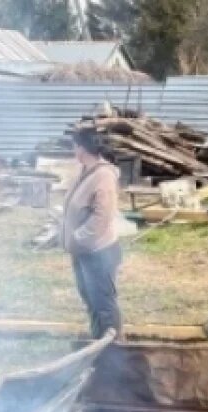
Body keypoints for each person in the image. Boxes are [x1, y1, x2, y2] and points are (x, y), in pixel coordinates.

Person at [63, 127, 123, 339]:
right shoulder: (85, 172)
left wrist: (78, 237)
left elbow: (102, 216)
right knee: (91, 301)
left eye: (75, 146)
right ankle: (98, 347)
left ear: (82, 148)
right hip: (83, 251)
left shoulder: (103, 175)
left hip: (98, 252)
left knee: (103, 304)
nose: (73, 151)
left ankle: (113, 352)